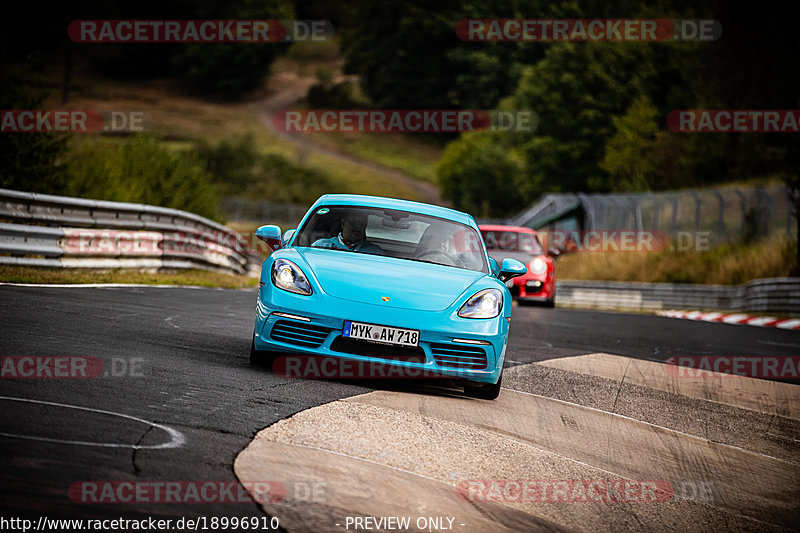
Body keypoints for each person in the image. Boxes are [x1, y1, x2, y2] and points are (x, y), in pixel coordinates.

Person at [312, 212, 385, 255]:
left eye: (361, 223)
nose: (357, 227)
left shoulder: (375, 251)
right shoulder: (320, 245)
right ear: (343, 223)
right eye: (353, 223)